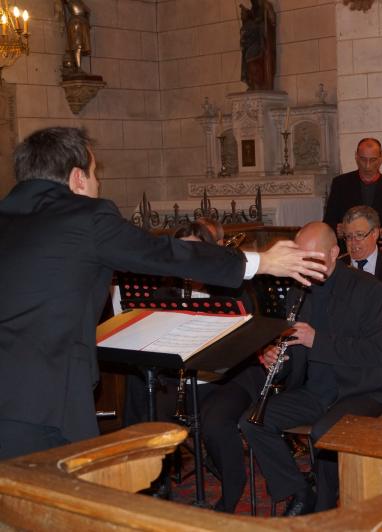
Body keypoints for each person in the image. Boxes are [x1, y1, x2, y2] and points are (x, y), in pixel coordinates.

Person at [0, 127, 326, 459]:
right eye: (95, 173)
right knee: (67, 500)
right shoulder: (86, 217)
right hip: (47, 399)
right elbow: (163, 253)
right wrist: (262, 260)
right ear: (77, 178)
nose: (98, 184)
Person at [241, 222, 382, 515]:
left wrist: (317, 340)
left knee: (323, 432)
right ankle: (299, 491)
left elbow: (374, 354)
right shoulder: (298, 291)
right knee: (252, 421)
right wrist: (277, 356)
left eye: (313, 258)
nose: (305, 266)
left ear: (335, 252)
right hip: (316, 392)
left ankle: (325, 507)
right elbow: (295, 352)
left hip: (362, 389)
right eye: (301, 258)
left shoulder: (369, 289)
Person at [323, 138, 382, 252]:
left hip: (381, 254)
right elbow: (329, 221)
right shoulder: (341, 184)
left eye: (372, 160)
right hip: (347, 252)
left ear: (381, 158)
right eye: (363, 159)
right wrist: (337, 230)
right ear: (356, 157)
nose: (367, 165)